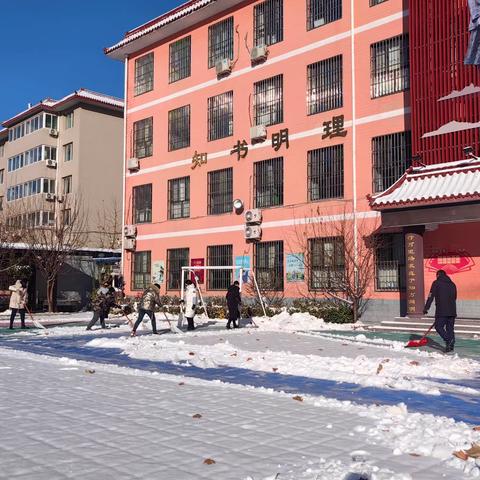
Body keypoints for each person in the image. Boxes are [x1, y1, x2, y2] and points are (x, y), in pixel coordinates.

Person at [423, 269, 457, 352]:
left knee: (438, 327)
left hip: (441, 310)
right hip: (452, 311)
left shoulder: (436, 283)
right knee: (450, 328)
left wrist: (426, 308)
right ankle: (450, 346)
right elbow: (455, 297)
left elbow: (431, 296)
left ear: (438, 275)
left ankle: (448, 340)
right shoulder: (453, 284)